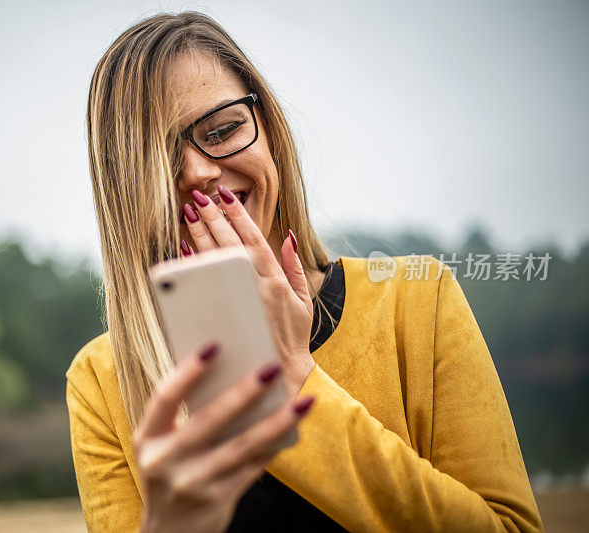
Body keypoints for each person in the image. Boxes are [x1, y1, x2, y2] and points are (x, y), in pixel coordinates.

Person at [66, 11, 543, 532]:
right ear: (121, 191)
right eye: (157, 157)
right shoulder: (102, 379)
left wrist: (295, 376)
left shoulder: (414, 300)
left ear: (267, 129)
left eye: (223, 130)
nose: (199, 172)